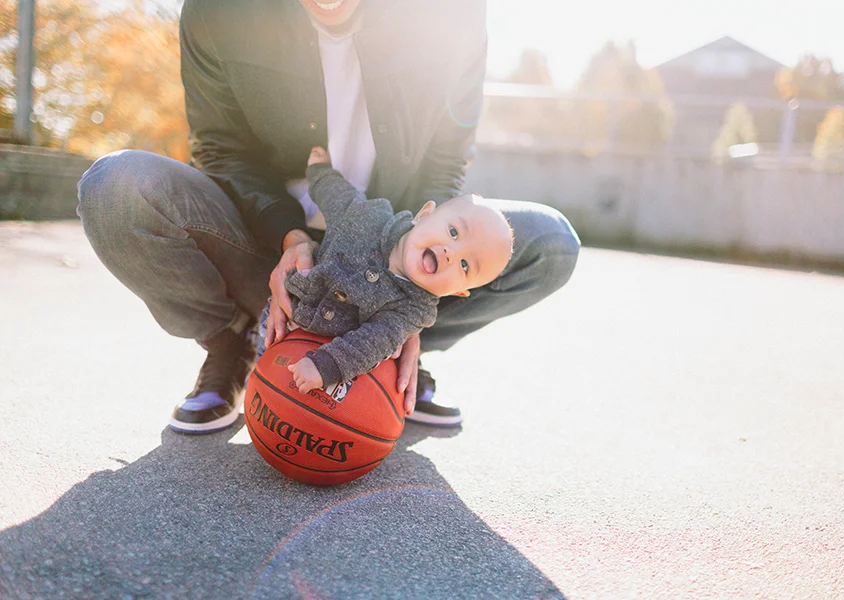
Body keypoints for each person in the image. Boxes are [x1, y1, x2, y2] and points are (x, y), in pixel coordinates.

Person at [76, 0, 580, 435]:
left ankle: (388, 352)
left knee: (551, 243)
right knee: (117, 188)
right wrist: (289, 236)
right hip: (267, 245)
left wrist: (415, 289)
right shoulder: (219, 10)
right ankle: (235, 341)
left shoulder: (450, 14)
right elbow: (222, 150)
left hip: (398, 264)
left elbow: (446, 158)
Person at [258, 146, 514, 400]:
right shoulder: (368, 216)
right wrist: (320, 171)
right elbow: (337, 196)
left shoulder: (414, 310)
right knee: (266, 376)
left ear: (456, 291)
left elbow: (372, 343)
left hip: (333, 350)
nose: (451, 253)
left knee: (302, 404)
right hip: (287, 315)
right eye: (454, 232)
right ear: (423, 215)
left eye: (466, 265)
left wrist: (326, 367)